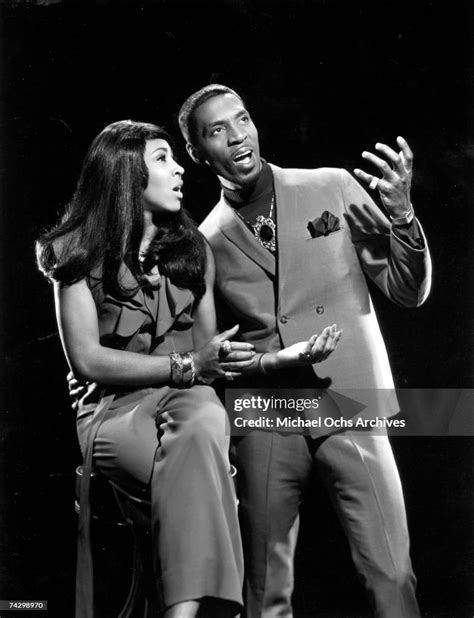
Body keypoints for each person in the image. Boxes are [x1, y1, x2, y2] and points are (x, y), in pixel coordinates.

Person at [37, 119, 342, 618]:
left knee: (202, 415)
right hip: (113, 411)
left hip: (186, 399)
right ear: (126, 175)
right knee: (200, 468)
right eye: (162, 159)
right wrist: (186, 366)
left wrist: (276, 361)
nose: (180, 168)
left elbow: (209, 358)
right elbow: (87, 360)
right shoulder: (73, 252)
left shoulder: (192, 250)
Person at [177, 84, 432, 617]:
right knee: (265, 589)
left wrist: (404, 216)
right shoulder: (206, 240)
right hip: (267, 418)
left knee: (390, 572)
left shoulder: (331, 185)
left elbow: (408, 290)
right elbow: (210, 351)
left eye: (241, 118)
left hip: (351, 404)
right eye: (216, 130)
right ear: (198, 153)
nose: (237, 134)